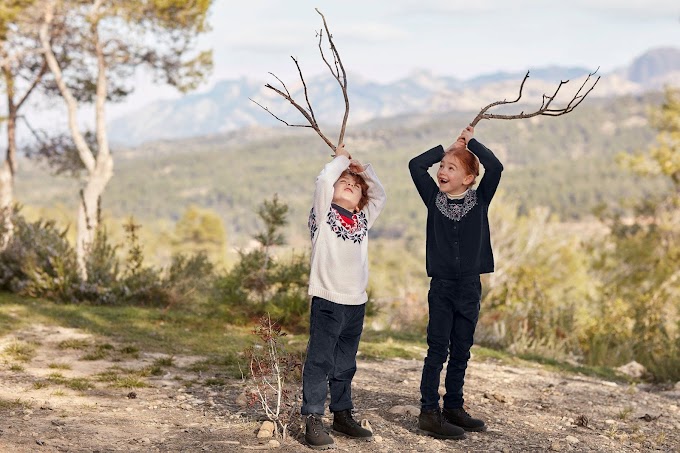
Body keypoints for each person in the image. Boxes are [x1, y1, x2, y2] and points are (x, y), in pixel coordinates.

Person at [408, 125, 503, 440]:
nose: (442, 171)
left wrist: (471, 142)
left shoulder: (481, 200)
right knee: (437, 349)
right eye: (442, 167)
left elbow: (497, 167)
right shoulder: (432, 198)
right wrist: (447, 148)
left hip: (469, 288)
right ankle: (428, 412)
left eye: (451, 167)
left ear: (468, 178)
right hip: (442, 288)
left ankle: (454, 407)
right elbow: (414, 165)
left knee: (462, 349)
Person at [302, 143, 387, 450]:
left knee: (345, 363)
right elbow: (324, 181)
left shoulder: (362, 220)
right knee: (320, 361)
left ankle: (342, 413)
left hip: (355, 303)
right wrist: (340, 160)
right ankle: (312, 417)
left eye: (355, 187)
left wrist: (361, 168)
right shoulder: (322, 216)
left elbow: (380, 195)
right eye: (344, 182)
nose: (350, 186)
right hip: (328, 300)